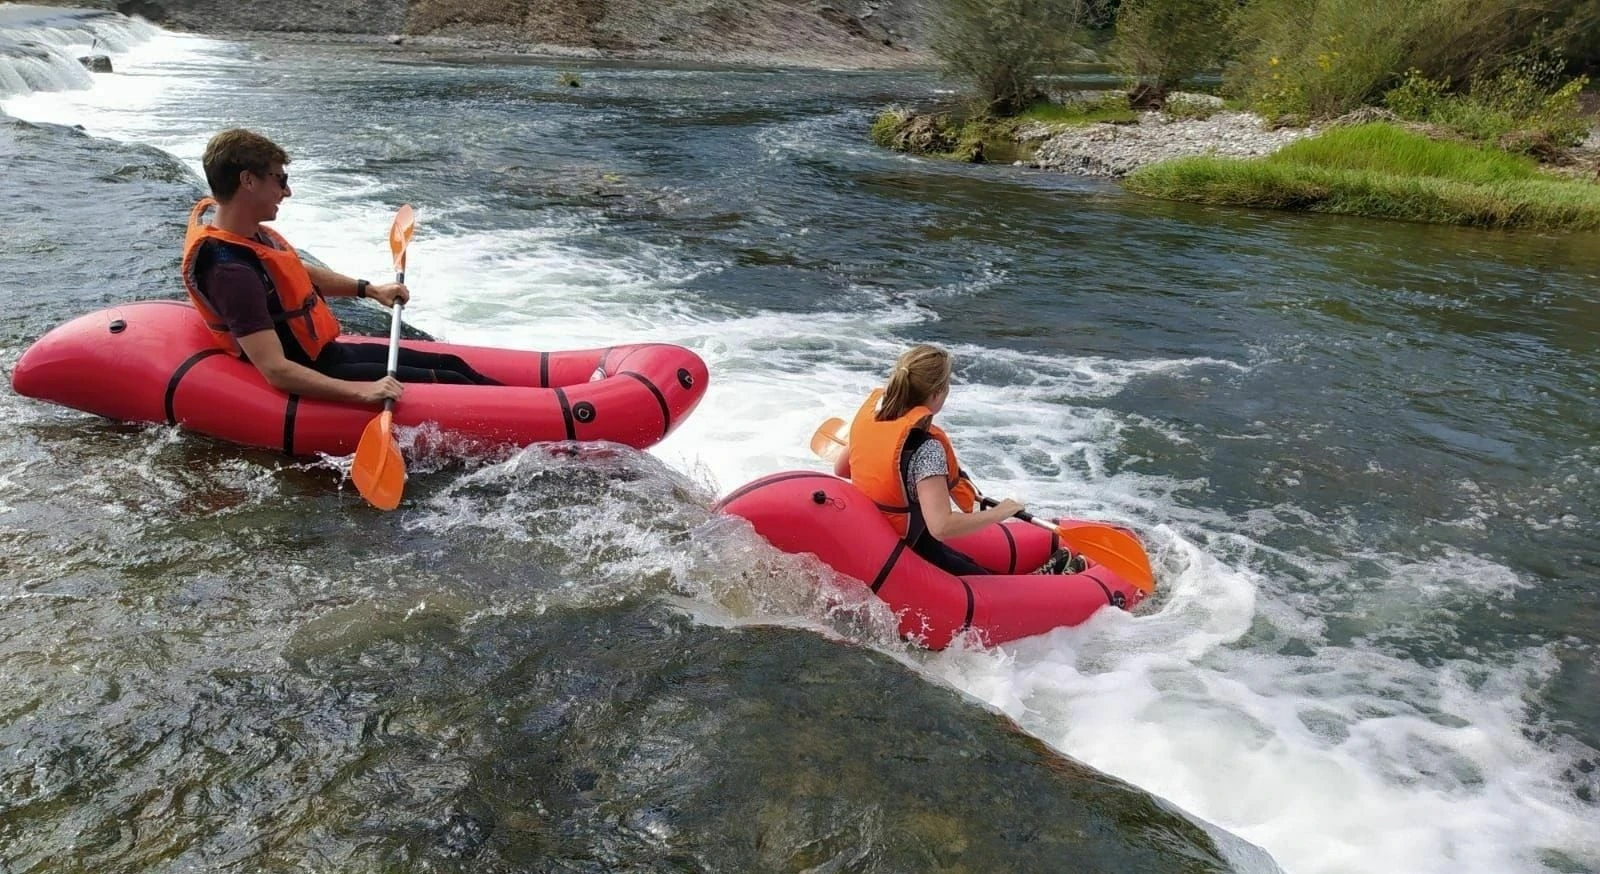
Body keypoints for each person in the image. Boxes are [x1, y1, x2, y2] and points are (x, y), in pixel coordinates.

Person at [179, 128, 497, 406]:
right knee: (452, 381)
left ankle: (547, 399)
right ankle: (545, 414)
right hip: (315, 370)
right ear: (248, 181)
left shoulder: (246, 235)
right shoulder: (229, 273)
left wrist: (369, 290)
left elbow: (293, 270)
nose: (287, 191)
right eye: (280, 179)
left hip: (326, 354)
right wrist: (362, 393)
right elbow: (276, 370)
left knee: (453, 364)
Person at [833, 344, 1041, 576]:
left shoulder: (873, 419)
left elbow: (841, 468)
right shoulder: (927, 449)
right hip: (905, 554)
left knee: (972, 567)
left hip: (877, 538)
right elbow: (941, 526)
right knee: (991, 586)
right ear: (936, 394)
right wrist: (999, 512)